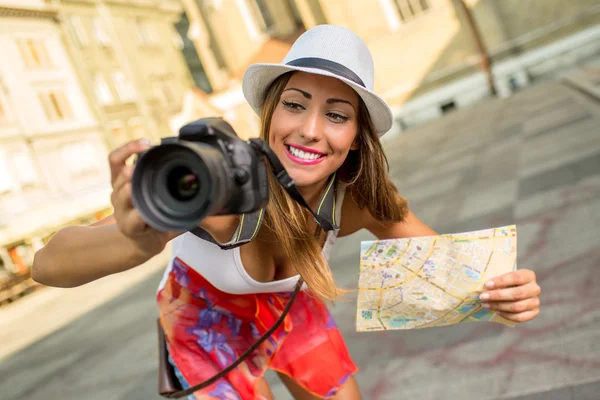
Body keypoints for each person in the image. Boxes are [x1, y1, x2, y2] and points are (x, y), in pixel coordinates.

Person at [31, 25, 541, 399]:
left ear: (357, 140)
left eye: (337, 115)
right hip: (202, 318)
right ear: (270, 111)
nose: (311, 129)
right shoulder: (223, 187)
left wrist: (507, 292)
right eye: (295, 104)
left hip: (290, 313)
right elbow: (46, 264)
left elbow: (456, 269)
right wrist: (137, 239)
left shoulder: (357, 200)